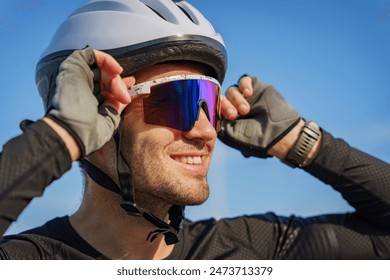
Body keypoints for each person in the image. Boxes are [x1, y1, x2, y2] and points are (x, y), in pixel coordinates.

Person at [0, 0, 389, 260]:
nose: (206, 131)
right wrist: (60, 137)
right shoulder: (28, 261)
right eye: (178, 100)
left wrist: (303, 142)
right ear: (97, 120)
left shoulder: (246, 252)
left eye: (208, 100)